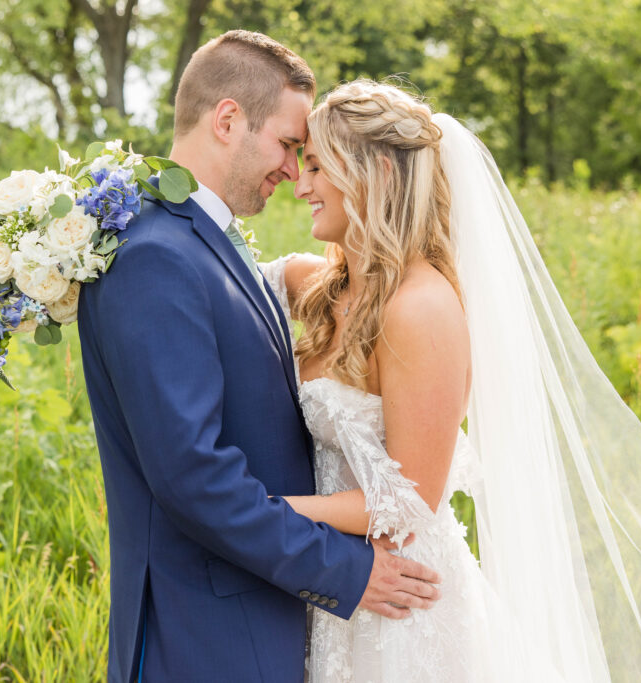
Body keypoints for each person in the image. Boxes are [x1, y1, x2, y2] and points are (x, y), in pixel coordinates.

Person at [262, 79, 641, 681]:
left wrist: (266, 513)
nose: (299, 186)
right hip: (337, 582)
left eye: (318, 168)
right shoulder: (328, 284)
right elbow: (228, 279)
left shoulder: (420, 308)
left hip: (403, 606)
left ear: (373, 172)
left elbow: (405, 503)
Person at [77, 35, 442, 683]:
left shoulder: (213, 243)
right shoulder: (158, 255)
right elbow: (192, 475)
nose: (293, 174)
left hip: (274, 612)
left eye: (313, 162)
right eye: (286, 146)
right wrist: (345, 570)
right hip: (206, 634)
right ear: (226, 121)